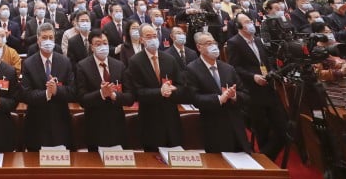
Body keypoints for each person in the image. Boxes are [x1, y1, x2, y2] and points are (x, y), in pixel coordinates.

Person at [227, 12, 287, 160]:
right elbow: (235, 67)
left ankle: (264, 157)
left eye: (250, 21)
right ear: (239, 26)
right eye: (246, 22)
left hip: (268, 87)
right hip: (252, 91)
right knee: (262, 130)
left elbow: (266, 62)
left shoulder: (259, 41)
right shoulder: (234, 43)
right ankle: (266, 162)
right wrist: (253, 76)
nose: (250, 24)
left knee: (283, 128)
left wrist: (272, 72)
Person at [184, 32, 251, 153]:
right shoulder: (192, 69)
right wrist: (219, 99)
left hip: (235, 125)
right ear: (199, 47)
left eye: (214, 43)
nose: (213, 46)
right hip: (213, 126)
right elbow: (194, 98)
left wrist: (234, 96)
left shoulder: (228, 68)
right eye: (208, 44)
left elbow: (245, 94)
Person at [128, 22, 184, 151]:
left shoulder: (170, 59)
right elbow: (137, 92)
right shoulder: (135, 61)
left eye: (154, 35)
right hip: (150, 120)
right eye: (148, 36)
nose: (153, 39)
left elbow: (182, 86)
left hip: (171, 118)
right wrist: (160, 91)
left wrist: (174, 90)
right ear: (141, 39)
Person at [76, 31, 133, 150]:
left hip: (117, 126)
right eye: (98, 44)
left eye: (105, 43)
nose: (102, 46)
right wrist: (101, 93)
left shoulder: (119, 65)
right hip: (95, 127)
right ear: (92, 47)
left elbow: (130, 97)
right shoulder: (82, 66)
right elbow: (82, 99)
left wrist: (114, 95)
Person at [21, 23, 75, 150]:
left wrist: (57, 90)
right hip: (36, 124)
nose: (48, 41)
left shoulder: (65, 62)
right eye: (44, 38)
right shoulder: (28, 64)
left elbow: (73, 92)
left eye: (51, 37)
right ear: (38, 40)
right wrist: (46, 94)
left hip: (60, 122)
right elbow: (26, 95)